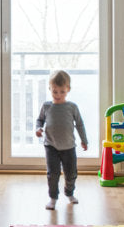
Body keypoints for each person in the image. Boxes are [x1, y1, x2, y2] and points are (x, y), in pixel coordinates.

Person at [34, 70, 88, 209]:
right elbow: (39, 120)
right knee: (53, 174)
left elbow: (80, 124)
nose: (58, 95)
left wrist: (84, 140)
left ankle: (69, 192)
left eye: (62, 91)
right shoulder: (47, 106)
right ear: (50, 89)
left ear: (68, 89)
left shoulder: (72, 107)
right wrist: (38, 129)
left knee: (71, 173)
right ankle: (53, 198)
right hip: (51, 146)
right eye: (55, 91)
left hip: (69, 147)